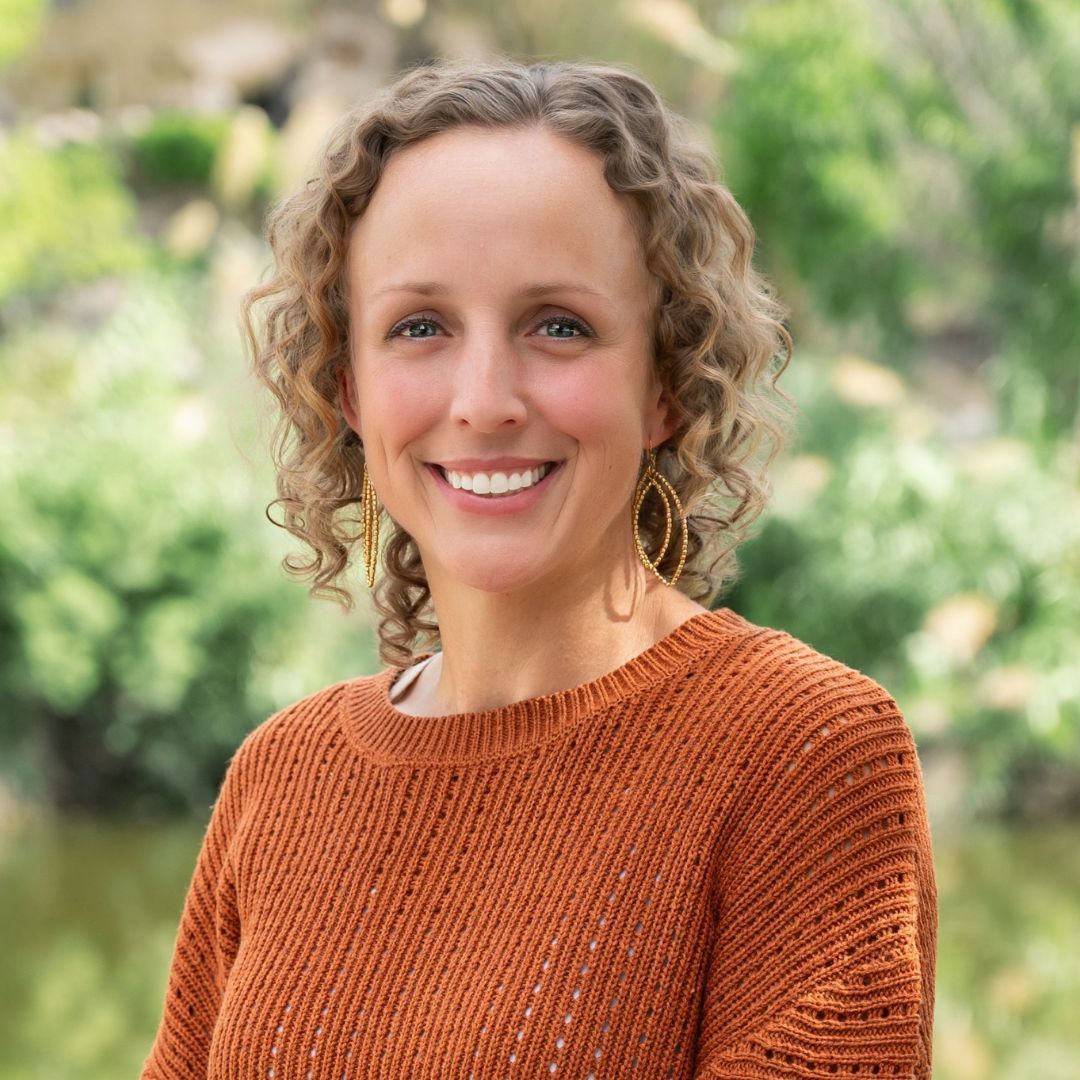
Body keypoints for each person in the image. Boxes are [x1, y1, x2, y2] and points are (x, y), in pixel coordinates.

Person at [141, 56, 937, 1079]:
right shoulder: (280, 781)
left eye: (557, 326)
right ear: (350, 388)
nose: (484, 399)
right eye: (418, 327)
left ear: (667, 383)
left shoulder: (802, 755)